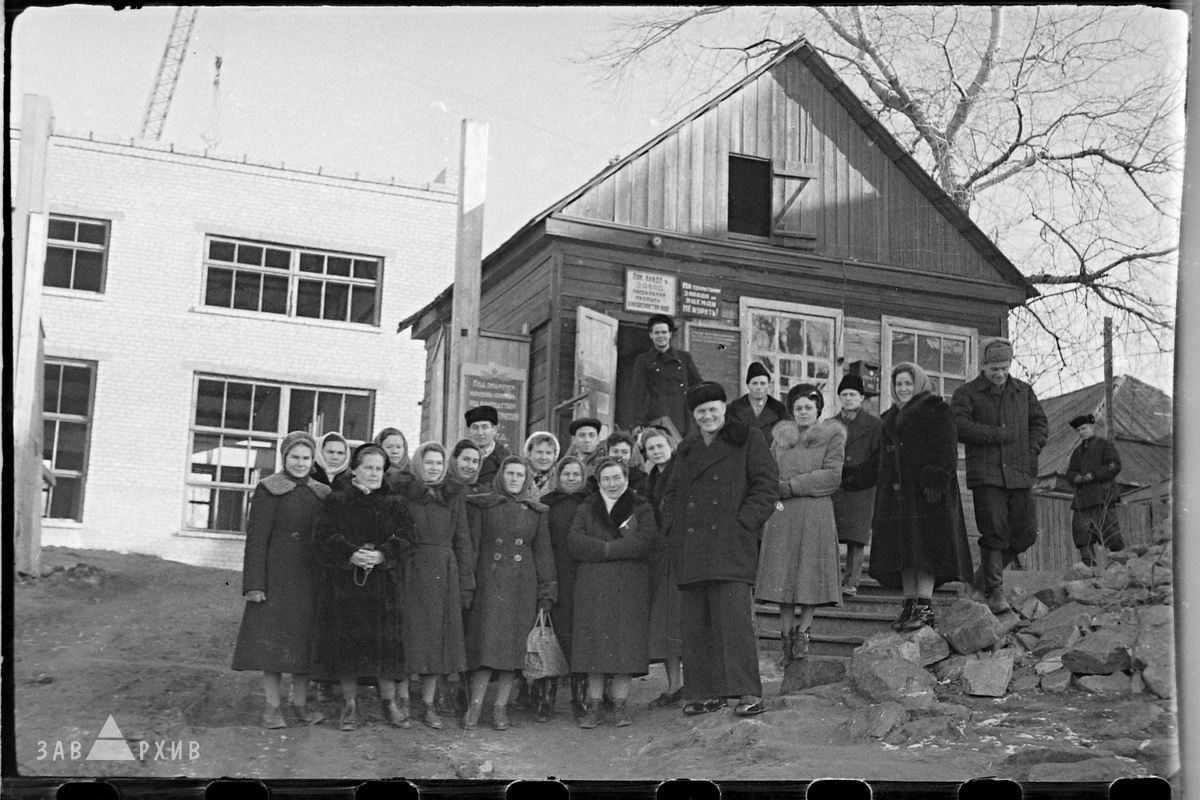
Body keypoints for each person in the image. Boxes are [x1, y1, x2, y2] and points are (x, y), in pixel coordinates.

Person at [660, 381, 779, 718]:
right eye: (701, 412)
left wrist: (743, 524)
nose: (708, 416)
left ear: (724, 408)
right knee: (696, 625)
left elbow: (767, 487)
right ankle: (705, 693)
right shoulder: (687, 447)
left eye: (713, 409)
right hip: (692, 549)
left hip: (730, 546)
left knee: (734, 623)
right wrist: (673, 528)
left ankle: (746, 692)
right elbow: (668, 495)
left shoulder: (748, 438)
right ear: (695, 417)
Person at [310, 443, 414, 732]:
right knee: (348, 646)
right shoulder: (336, 501)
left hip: (382, 586)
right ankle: (350, 705)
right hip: (346, 585)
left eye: (378, 468)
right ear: (354, 469)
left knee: (384, 647)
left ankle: (389, 703)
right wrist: (349, 553)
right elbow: (323, 537)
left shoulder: (395, 504)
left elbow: (408, 539)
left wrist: (383, 554)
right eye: (367, 467)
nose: (373, 473)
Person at [232, 431, 331, 729]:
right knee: (273, 645)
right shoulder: (268, 489)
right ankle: (271, 707)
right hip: (276, 577)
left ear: (313, 459)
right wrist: (254, 584)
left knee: (304, 644)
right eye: (295, 457)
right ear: (284, 458)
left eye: (306, 457)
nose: (300, 463)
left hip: (310, 577)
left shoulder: (322, 493)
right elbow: (256, 539)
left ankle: (299, 705)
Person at [870, 364, 974, 631]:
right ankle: (909, 605)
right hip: (898, 497)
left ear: (918, 384)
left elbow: (947, 448)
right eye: (898, 385)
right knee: (905, 552)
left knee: (924, 550)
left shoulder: (936, 409)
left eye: (907, 383)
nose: (903, 389)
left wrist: (936, 480)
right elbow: (878, 459)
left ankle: (925, 607)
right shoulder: (888, 418)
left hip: (927, 495)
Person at [950, 337, 1048, 615]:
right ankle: (994, 591)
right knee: (994, 532)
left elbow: (1040, 423)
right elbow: (959, 426)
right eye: (994, 368)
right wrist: (994, 435)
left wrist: (1032, 449)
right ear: (983, 366)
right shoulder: (967, 394)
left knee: (1027, 532)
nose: (1000, 373)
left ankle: (980, 581)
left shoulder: (1023, 392)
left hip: (1020, 471)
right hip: (987, 473)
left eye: (1004, 367)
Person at [463, 457, 557, 731]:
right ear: (501, 477)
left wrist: (546, 590)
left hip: (521, 585)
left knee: (512, 651)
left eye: (519, 475)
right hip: (490, 583)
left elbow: (543, 553)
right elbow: (474, 548)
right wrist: (468, 582)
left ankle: (500, 708)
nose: (514, 479)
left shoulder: (536, 512)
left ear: (526, 479)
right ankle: (475, 706)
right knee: (486, 647)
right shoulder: (483, 505)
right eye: (510, 474)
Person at [755, 384, 845, 665]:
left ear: (818, 410)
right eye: (798, 407)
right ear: (791, 411)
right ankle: (785, 636)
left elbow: (831, 476)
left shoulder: (832, 437)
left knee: (810, 573)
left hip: (815, 512)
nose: (803, 412)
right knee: (783, 577)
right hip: (783, 513)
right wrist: (774, 489)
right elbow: (767, 471)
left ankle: (803, 634)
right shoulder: (780, 439)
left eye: (808, 407)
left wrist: (791, 486)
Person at [569, 458, 658, 729]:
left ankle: (619, 706)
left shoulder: (641, 507)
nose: (612, 483)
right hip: (593, 585)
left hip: (629, 584)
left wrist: (606, 551)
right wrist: (612, 549)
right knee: (594, 643)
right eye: (606, 478)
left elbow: (646, 540)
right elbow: (575, 541)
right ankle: (594, 706)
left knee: (625, 644)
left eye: (616, 477)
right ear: (598, 482)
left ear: (626, 479)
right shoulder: (586, 508)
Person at [398, 442, 474, 730]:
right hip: (411, 568)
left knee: (437, 639)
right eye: (428, 463)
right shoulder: (405, 495)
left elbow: (463, 540)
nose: (433, 468)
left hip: (444, 570)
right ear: (419, 465)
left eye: (438, 464)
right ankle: (404, 700)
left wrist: (466, 580)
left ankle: (428, 705)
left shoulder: (453, 497)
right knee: (410, 635)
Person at [534, 456, 590, 721]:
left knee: (580, 637)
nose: (571, 479)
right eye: (566, 474)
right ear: (559, 475)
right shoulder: (547, 504)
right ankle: (547, 698)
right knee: (553, 634)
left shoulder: (591, 503)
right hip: (556, 574)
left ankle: (580, 698)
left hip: (584, 576)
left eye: (576, 474)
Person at [641, 426, 684, 708]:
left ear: (670, 445)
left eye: (660, 446)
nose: (657, 451)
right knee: (666, 620)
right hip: (661, 552)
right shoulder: (652, 478)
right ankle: (674, 685)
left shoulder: (682, 470)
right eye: (651, 449)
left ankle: (695, 684)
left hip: (681, 550)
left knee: (682, 618)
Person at [830, 375, 882, 597]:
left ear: (861, 397)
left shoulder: (875, 425)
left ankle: (852, 581)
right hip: (835, 485)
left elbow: (877, 457)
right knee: (830, 534)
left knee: (856, 536)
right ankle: (831, 580)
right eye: (844, 394)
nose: (849, 398)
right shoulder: (830, 425)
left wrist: (860, 476)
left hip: (861, 486)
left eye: (853, 394)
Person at [1066, 413, 1125, 566]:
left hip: (1102, 497)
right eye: (1078, 430)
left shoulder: (1105, 445)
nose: (1081, 433)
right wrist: (1075, 478)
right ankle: (1089, 571)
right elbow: (1070, 472)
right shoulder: (1077, 452)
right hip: (1082, 501)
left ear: (1092, 427)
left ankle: (1118, 569)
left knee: (1111, 534)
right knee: (1081, 535)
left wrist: (1094, 474)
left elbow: (1114, 465)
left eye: (1083, 429)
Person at [630, 314, 703, 437]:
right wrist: (638, 422)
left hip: (684, 416)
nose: (660, 336)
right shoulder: (643, 360)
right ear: (651, 335)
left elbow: (697, 385)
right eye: (656, 332)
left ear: (670, 334)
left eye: (664, 332)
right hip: (658, 417)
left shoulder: (684, 357)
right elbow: (639, 393)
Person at [727, 361, 791, 439]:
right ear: (748, 386)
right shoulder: (734, 408)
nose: (759, 387)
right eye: (755, 383)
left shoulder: (779, 409)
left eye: (763, 383)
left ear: (769, 385)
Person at [465, 406, 511, 488]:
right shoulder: (459, 457)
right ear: (469, 431)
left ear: (495, 429)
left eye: (484, 427)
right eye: (475, 428)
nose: (480, 433)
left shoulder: (507, 459)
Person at [523, 431, 561, 501]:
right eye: (539, 452)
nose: (544, 457)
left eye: (548, 453)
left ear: (554, 456)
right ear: (529, 454)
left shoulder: (560, 479)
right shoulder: (519, 476)